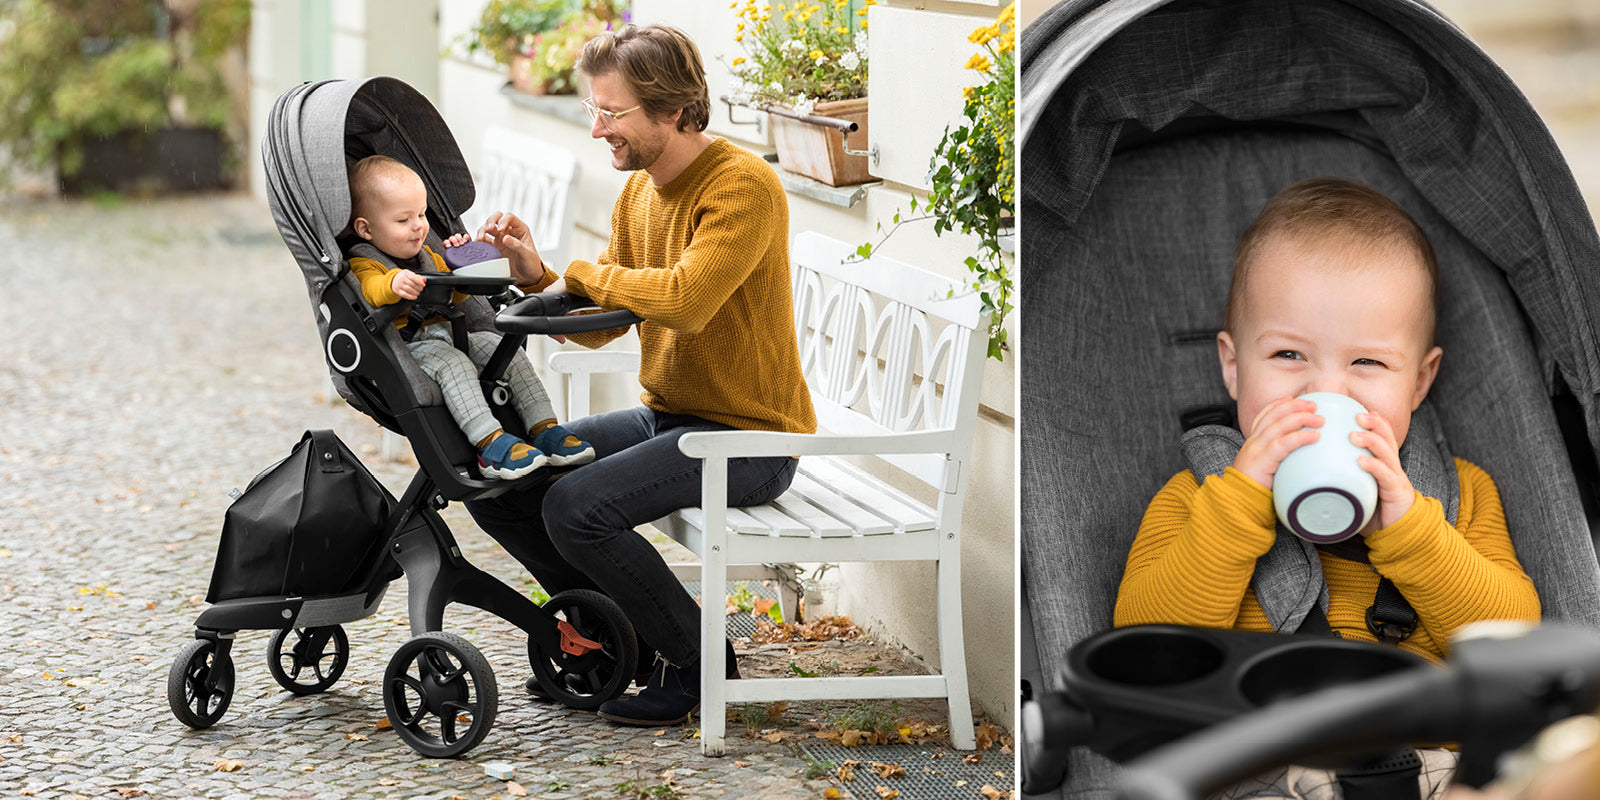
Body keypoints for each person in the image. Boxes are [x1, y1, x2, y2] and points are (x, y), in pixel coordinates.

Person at [1115, 178, 1541, 797]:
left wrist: (1413, 534)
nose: (1327, 393)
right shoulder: (1198, 500)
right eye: (1289, 355)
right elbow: (1144, 651)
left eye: (1367, 363)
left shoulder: (1455, 496)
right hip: (1262, 774)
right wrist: (1237, 511)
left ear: (1419, 384)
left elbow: (1514, 641)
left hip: (1434, 767)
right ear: (1233, 368)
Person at [466, 23, 816, 727]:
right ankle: (614, 635)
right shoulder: (639, 193)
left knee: (576, 507)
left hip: (749, 439)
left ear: (674, 109)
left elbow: (685, 302)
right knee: (501, 484)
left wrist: (581, 273)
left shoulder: (742, 186)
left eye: (612, 112)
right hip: (672, 417)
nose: (597, 129)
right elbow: (605, 325)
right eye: (595, 109)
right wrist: (541, 277)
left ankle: (696, 663)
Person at [345, 154, 593, 479]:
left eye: (421, 214)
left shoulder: (428, 254)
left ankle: (544, 427)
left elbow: (457, 296)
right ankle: (489, 444)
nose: (419, 225)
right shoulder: (366, 262)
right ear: (366, 228)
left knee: (500, 346)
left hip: (452, 333)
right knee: (454, 363)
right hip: (410, 346)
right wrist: (392, 283)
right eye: (404, 220)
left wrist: (459, 264)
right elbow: (373, 292)